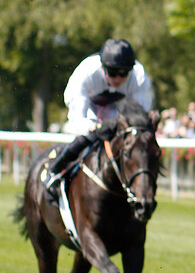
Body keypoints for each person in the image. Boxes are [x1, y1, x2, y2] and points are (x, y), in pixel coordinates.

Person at [44, 39, 154, 187]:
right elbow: (78, 117)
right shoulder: (86, 74)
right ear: (103, 68)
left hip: (117, 111)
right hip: (88, 109)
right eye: (113, 73)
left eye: (124, 74)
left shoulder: (139, 76)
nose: (118, 78)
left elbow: (140, 113)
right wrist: (94, 128)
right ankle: (55, 171)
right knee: (88, 137)